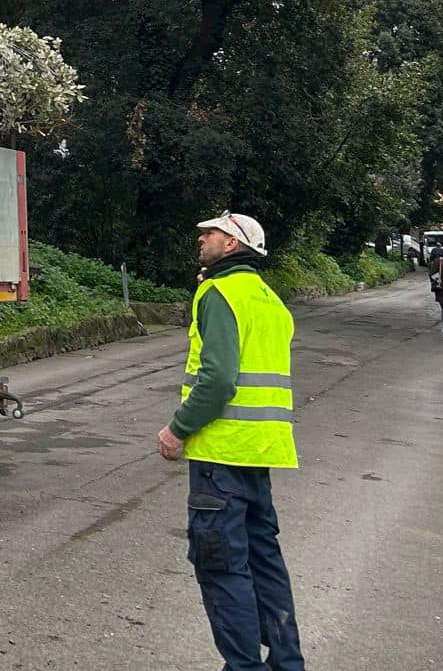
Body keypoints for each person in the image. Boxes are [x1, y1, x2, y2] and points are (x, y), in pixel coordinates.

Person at [156, 212, 304, 671]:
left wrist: (176, 429)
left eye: (212, 233)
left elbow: (218, 380)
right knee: (264, 564)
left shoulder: (219, 294)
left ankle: (243, 667)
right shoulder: (268, 299)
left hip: (220, 455)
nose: (202, 237)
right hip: (258, 455)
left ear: (233, 245)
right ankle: (286, 662)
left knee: (221, 569)